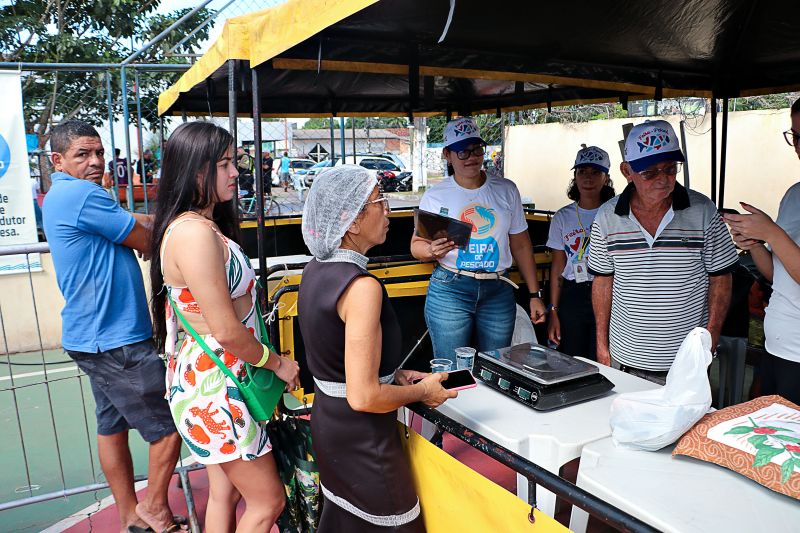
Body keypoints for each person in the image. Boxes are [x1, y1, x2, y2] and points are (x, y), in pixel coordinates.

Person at [150, 122, 300, 532]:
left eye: (235, 161)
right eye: (225, 164)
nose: (236, 172)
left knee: (225, 494)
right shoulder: (195, 233)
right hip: (218, 386)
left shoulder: (198, 226)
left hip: (214, 382)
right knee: (268, 502)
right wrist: (278, 364)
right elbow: (228, 331)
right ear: (196, 171)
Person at [42, 120, 184, 533]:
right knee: (169, 428)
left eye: (99, 153)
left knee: (112, 426)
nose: (95, 162)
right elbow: (143, 239)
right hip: (115, 339)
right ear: (58, 161)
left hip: (93, 337)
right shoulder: (83, 195)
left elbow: (128, 219)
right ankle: (155, 510)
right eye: (82, 155)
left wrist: (144, 223)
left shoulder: (65, 196)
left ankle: (128, 515)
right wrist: (186, 224)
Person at [298, 165, 456, 532]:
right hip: (363, 435)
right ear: (351, 221)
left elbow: (338, 358)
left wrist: (392, 374)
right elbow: (364, 396)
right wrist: (421, 390)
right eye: (379, 202)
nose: (389, 211)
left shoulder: (315, 270)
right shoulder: (361, 287)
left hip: (329, 423)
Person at [588, 120, 739, 384]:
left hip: (687, 360)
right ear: (627, 171)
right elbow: (603, 280)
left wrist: (711, 337)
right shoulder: (607, 217)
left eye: (670, 169)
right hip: (626, 358)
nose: (663, 179)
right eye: (650, 172)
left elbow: (721, 278)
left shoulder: (703, 211)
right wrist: (602, 344)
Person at [411, 118, 547, 365]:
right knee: (451, 370)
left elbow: (521, 244)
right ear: (447, 155)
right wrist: (431, 249)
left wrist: (534, 293)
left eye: (476, 149)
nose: (471, 157)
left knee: (497, 368)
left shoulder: (506, 190)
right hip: (450, 288)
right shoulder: (435, 195)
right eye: (462, 151)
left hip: (498, 288)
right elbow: (416, 245)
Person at [723, 97, 800, 403]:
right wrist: (755, 243)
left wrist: (770, 231)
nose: (798, 146)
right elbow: (776, 274)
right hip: (776, 345)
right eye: (795, 136)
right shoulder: (794, 195)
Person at [546, 145, 616, 360]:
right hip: (572, 294)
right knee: (572, 359)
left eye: (596, 172)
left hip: (607, 289)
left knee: (603, 356)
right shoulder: (562, 217)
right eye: (582, 172)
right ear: (575, 177)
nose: (588, 178)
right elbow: (558, 265)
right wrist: (554, 310)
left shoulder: (616, 212)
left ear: (606, 178)